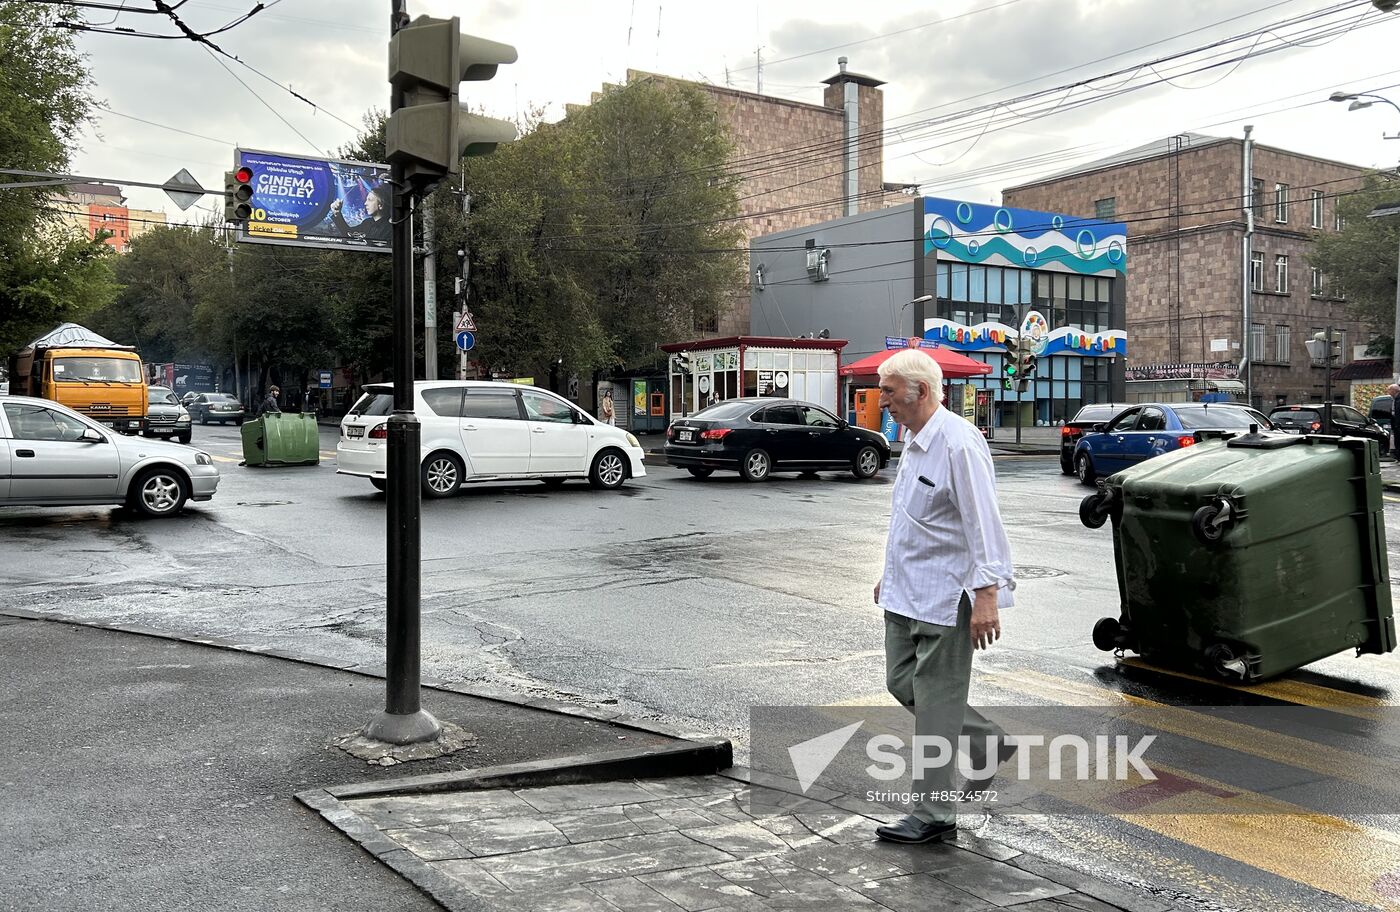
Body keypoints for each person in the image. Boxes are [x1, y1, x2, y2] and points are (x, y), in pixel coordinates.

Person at [871, 348, 1016, 845]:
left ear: (922, 392)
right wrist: (886, 576)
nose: (881, 398)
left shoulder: (959, 444)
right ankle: (985, 738)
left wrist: (988, 596)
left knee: (935, 703)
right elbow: (912, 522)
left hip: (947, 596)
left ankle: (934, 815)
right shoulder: (912, 441)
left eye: (889, 390)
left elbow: (983, 524)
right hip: (905, 590)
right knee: (900, 681)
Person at [1388, 383, 1399, 459]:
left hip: (1398, 425)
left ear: (1394, 391)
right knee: (1397, 442)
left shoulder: (1398, 399)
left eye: (1389, 391)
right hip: (1396, 425)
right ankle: (1398, 458)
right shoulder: (1395, 399)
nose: (1389, 393)